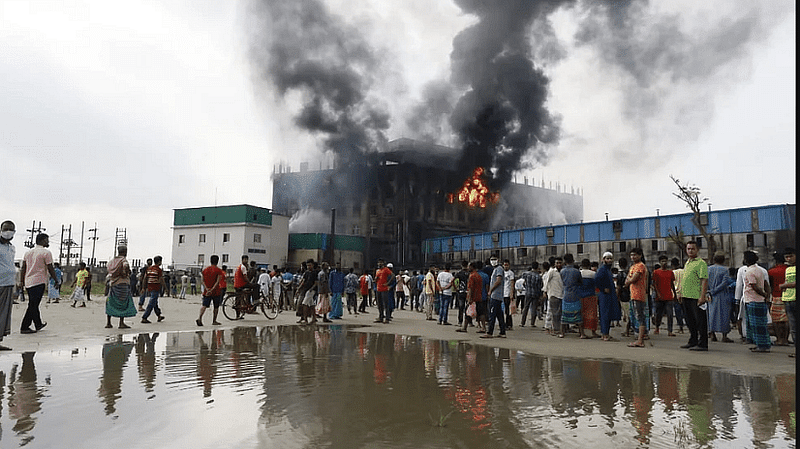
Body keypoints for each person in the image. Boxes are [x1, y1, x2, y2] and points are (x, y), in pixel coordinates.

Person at [19, 233, 58, 334]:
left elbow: (23, 268)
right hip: (39, 281)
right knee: (33, 305)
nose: (48, 242)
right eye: (47, 240)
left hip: (28, 282)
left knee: (33, 303)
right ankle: (24, 326)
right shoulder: (46, 253)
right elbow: (50, 268)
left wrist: (21, 281)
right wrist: (56, 280)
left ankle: (38, 323)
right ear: (43, 240)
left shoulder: (28, 253)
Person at [678, 241, 709, 351]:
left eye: (692, 249)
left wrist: (702, 296)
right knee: (689, 320)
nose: (690, 251)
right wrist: (680, 292)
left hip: (696, 297)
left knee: (700, 321)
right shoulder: (687, 262)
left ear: (697, 250)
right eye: (688, 249)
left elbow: (704, 280)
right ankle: (693, 340)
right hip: (686, 295)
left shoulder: (701, 263)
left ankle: (703, 343)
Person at [743, 251, 771, 353]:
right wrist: (767, 295)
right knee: (761, 324)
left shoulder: (749, 272)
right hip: (759, 301)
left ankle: (761, 345)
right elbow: (766, 283)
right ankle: (764, 343)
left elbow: (754, 286)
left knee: (756, 325)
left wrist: (764, 294)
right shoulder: (760, 270)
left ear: (746, 260)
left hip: (753, 300)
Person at [105, 245, 137, 329]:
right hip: (122, 283)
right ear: (125, 252)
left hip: (113, 283)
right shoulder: (123, 260)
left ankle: (108, 322)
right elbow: (125, 266)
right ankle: (121, 323)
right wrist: (125, 273)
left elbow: (108, 269)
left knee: (110, 301)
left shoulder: (112, 261)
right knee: (123, 302)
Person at [707, 251, 735, 343]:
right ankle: (724, 336)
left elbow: (705, 281)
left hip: (711, 295)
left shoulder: (708, 269)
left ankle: (712, 334)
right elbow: (724, 283)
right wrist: (715, 290)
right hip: (722, 295)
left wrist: (710, 291)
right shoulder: (725, 270)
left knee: (711, 314)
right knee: (724, 315)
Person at [625, 248, 649, 348]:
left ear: (640, 255)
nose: (633, 257)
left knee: (640, 317)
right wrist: (629, 280)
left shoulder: (640, 266)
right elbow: (628, 279)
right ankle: (639, 338)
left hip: (639, 294)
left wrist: (629, 280)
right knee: (637, 316)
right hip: (634, 294)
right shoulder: (633, 266)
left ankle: (640, 340)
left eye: (635, 255)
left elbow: (633, 279)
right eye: (631, 255)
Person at [0, 220, 17, 350]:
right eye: (6, 229)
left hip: (9, 283)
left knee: (4, 314)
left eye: (10, 229)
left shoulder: (11, 248)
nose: (8, 232)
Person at [481, 256, 507, 339]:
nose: (493, 261)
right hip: (497, 295)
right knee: (499, 314)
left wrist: (491, 290)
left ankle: (490, 332)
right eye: (491, 259)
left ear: (498, 260)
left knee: (492, 314)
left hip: (496, 295)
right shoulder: (496, 269)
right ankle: (502, 332)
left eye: (494, 259)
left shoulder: (499, 269)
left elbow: (498, 280)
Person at [767, 251, 790, 346]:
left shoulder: (771, 271)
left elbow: (769, 285)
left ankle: (779, 339)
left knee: (776, 320)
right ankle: (786, 339)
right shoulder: (789, 269)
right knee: (787, 319)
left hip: (776, 297)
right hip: (789, 296)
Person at [596, 252, 619, 341]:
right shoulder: (602, 269)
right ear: (603, 259)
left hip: (610, 295)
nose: (609, 260)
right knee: (605, 314)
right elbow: (597, 280)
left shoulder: (608, 270)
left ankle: (606, 333)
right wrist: (603, 289)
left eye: (610, 258)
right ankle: (605, 334)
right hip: (605, 296)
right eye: (607, 258)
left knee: (608, 314)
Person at [652, 255, 677, 336]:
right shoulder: (656, 272)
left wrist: (675, 294)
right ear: (659, 262)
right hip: (659, 297)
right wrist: (657, 293)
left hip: (669, 296)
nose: (664, 263)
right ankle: (657, 327)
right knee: (658, 314)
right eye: (662, 261)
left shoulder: (670, 272)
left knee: (670, 314)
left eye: (665, 261)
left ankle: (670, 330)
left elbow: (672, 284)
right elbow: (654, 284)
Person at [198, 255, 225, 326]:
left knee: (204, 305)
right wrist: (212, 289)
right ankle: (214, 320)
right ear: (217, 261)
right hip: (216, 292)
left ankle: (199, 317)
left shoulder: (205, 270)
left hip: (207, 291)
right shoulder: (219, 270)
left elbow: (202, 281)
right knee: (216, 307)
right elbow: (217, 281)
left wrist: (207, 289)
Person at [778, 247, 796, 357]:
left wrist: (783, 285)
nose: (788, 259)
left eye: (791, 256)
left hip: (795, 299)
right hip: (788, 299)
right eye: (786, 257)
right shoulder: (787, 269)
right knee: (793, 327)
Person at [560, 254, 582, 338]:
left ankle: (562, 333)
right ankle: (581, 333)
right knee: (578, 315)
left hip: (566, 295)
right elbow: (580, 282)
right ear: (573, 260)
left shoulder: (562, 271)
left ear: (565, 262)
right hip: (575, 294)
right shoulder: (576, 271)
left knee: (564, 315)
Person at [457, 261, 483, 333]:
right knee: (480, 312)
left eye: (469, 266)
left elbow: (470, 288)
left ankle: (464, 327)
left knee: (467, 312)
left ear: (472, 267)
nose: (468, 268)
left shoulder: (472, 276)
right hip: (478, 296)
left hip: (473, 297)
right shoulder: (478, 276)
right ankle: (483, 327)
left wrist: (469, 298)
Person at [141, 256, 167, 324]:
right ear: (159, 262)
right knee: (152, 303)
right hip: (155, 287)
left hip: (149, 287)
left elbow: (145, 278)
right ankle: (145, 317)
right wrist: (165, 288)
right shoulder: (158, 270)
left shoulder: (149, 269)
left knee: (155, 302)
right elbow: (161, 279)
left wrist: (143, 287)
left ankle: (159, 315)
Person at [544, 257, 564, 336]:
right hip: (553, 294)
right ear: (555, 264)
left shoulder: (563, 272)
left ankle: (558, 329)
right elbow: (546, 281)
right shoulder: (552, 271)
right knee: (554, 314)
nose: (559, 264)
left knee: (559, 314)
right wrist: (545, 292)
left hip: (561, 295)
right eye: (557, 263)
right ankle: (554, 329)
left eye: (560, 263)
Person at [520, 262, 543, 328]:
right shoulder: (538, 276)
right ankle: (532, 323)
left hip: (528, 293)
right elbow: (540, 287)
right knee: (534, 308)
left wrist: (526, 287)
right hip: (535, 293)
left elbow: (523, 282)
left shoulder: (526, 274)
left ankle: (522, 322)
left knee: (526, 307)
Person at [502, 260, 515, 330]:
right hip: (502, 294)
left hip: (507, 293)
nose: (506, 266)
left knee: (508, 310)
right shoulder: (501, 272)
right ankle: (504, 324)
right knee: (503, 310)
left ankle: (509, 324)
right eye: (505, 265)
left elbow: (512, 283)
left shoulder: (511, 273)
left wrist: (511, 293)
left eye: (507, 265)